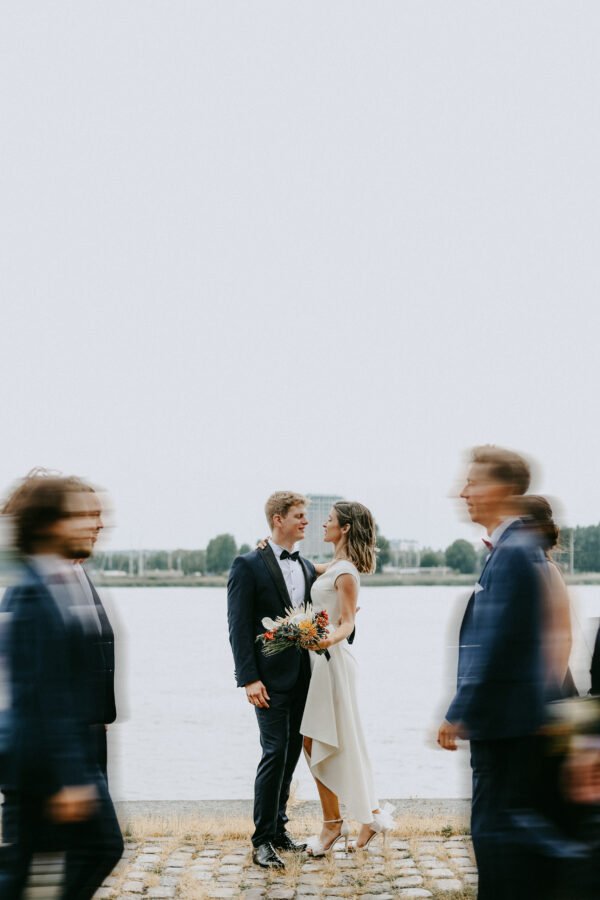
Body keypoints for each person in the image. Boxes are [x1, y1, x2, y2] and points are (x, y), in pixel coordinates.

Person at [0, 473, 123, 899]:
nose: (97, 524)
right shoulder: (30, 591)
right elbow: (40, 692)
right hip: (41, 757)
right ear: (52, 523)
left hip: (71, 744)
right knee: (100, 847)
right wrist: (70, 775)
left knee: (26, 866)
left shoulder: (61, 579)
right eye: (81, 515)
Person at [438, 446, 548, 900]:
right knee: (497, 836)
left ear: (502, 488)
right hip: (506, 724)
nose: (461, 492)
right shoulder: (511, 548)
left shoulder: (515, 552)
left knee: (494, 839)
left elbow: (495, 644)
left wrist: (458, 710)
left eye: (472, 482)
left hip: (506, 726)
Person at [227, 492, 316, 869]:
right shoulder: (247, 565)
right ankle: (261, 840)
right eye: (299, 516)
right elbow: (238, 625)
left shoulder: (307, 566)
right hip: (266, 680)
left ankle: (279, 830)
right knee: (274, 752)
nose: (306, 521)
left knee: (292, 753)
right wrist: (248, 678)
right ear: (278, 519)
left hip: (304, 677)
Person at [300, 501, 394, 857]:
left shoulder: (346, 574)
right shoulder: (335, 566)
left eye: (329, 520)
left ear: (345, 528)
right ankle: (368, 816)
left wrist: (327, 640)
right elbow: (300, 567)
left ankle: (334, 823)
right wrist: (268, 550)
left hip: (332, 661)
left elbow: (348, 622)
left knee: (318, 740)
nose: (323, 524)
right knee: (329, 741)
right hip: (320, 661)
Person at [519, 494, 577, 700]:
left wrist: (547, 696)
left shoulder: (548, 570)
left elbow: (564, 639)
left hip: (551, 687)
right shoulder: (525, 570)